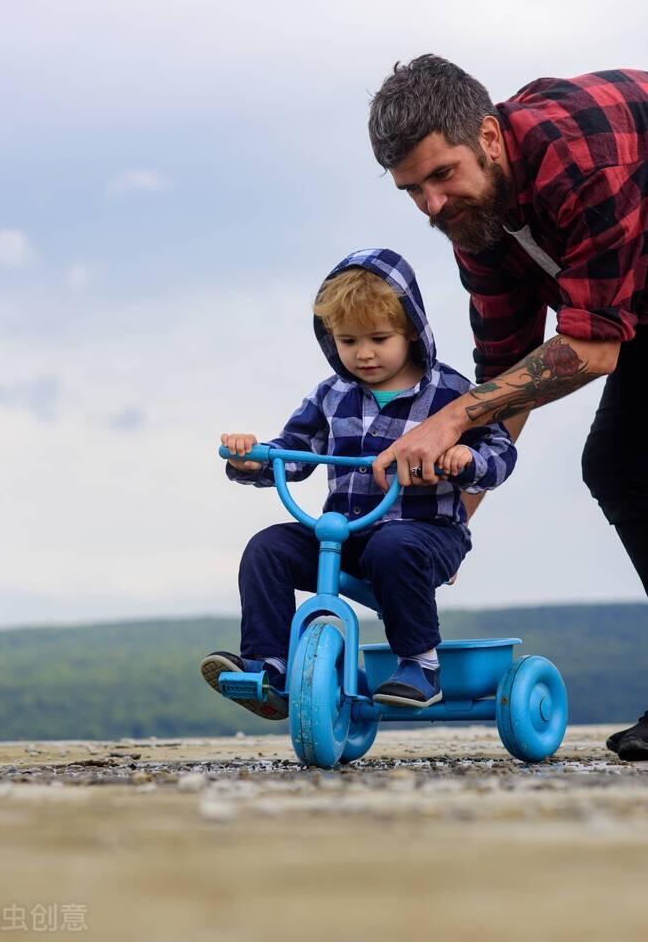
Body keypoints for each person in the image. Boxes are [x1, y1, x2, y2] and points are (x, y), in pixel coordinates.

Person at [368, 55, 648, 760]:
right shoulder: (477, 222)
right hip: (633, 306)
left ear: (489, 137)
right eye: (411, 191)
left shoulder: (577, 158)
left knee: (623, 460)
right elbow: (505, 372)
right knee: (620, 466)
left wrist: (451, 420)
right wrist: (449, 524)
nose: (431, 204)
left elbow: (588, 348)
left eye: (441, 175)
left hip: (617, 317)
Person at [201, 249, 516, 719]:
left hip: (428, 532)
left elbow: (501, 452)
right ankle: (271, 666)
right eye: (348, 341)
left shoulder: (451, 393)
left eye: (379, 338)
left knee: (394, 545)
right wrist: (253, 459)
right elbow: (294, 451)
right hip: (346, 531)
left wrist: (465, 457)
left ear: (411, 329)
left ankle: (419, 664)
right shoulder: (331, 394)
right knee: (268, 548)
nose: (363, 354)